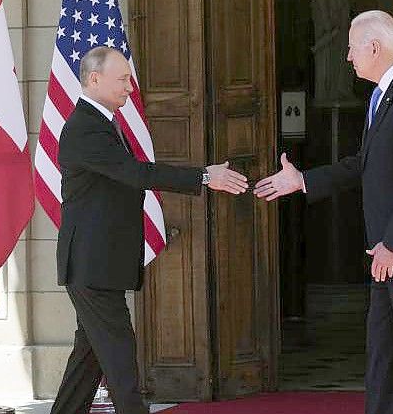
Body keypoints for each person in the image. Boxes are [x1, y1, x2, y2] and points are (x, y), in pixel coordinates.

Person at [254, 10, 393, 414]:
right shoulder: (385, 94)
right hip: (388, 253)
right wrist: (302, 181)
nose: (347, 58)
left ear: (374, 47)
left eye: (351, 49)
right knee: (385, 355)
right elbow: (363, 164)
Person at [51, 46, 248, 414]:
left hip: (98, 267)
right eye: (123, 79)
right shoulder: (84, 128)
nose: (130, 87)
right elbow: (137, 174)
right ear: (94, 79)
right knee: (123, 367)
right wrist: (206, 175)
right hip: (91, 268)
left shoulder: (102, 122)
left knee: (88, 360)